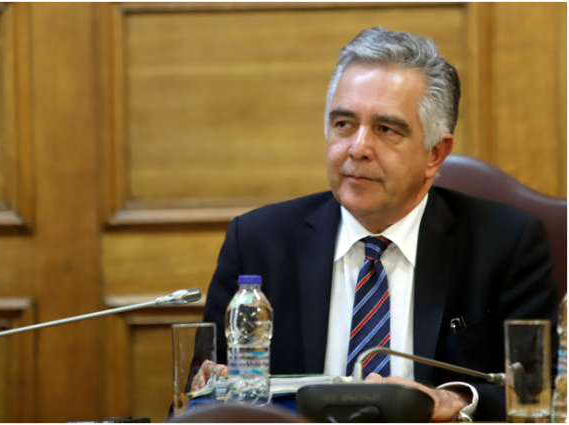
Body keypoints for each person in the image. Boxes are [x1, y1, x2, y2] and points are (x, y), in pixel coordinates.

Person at [196, 27, 559, 421]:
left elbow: (538, 392)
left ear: (435, 154)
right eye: (344, 124)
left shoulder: (506, 244)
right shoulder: (257, 243)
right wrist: (210, 390)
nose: (358, 148)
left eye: (386, 129)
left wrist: (457, 400)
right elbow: (195, 402)